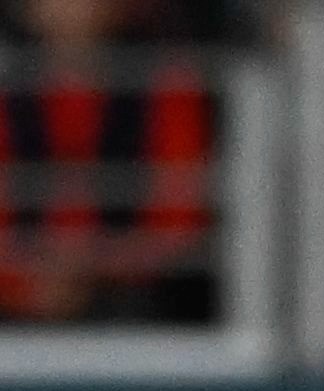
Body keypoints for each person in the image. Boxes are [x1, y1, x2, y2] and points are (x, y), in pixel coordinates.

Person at [0, 0, 214, 323]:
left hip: (134, 302)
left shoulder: (165, 83)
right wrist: (25, 283)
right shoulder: (9, 91)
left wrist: (102, 266)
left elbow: (180, 219)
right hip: (19, 303)